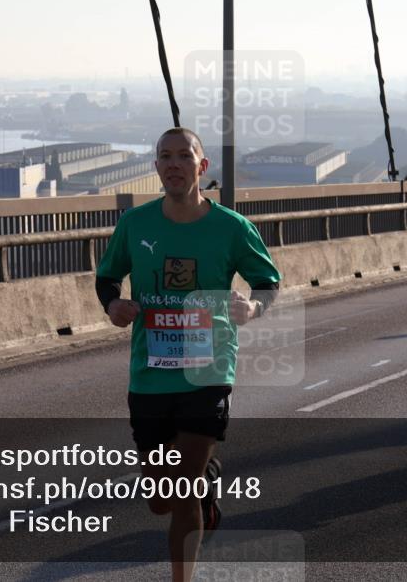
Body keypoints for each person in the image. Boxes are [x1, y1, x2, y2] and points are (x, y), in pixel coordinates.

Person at [95, 127, 281, 582]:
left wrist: (252, 307)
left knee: (182, 489)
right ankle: (207, 485)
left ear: (202, 166)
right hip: (150, 375)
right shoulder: (135, 225)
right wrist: (113, 305)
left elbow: (267, 282)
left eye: (184, 156)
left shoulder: (232, 228)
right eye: (165, 156)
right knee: (160, 500)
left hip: (207, 372)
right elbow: (107, 277)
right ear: (156, 166)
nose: (174, 164)